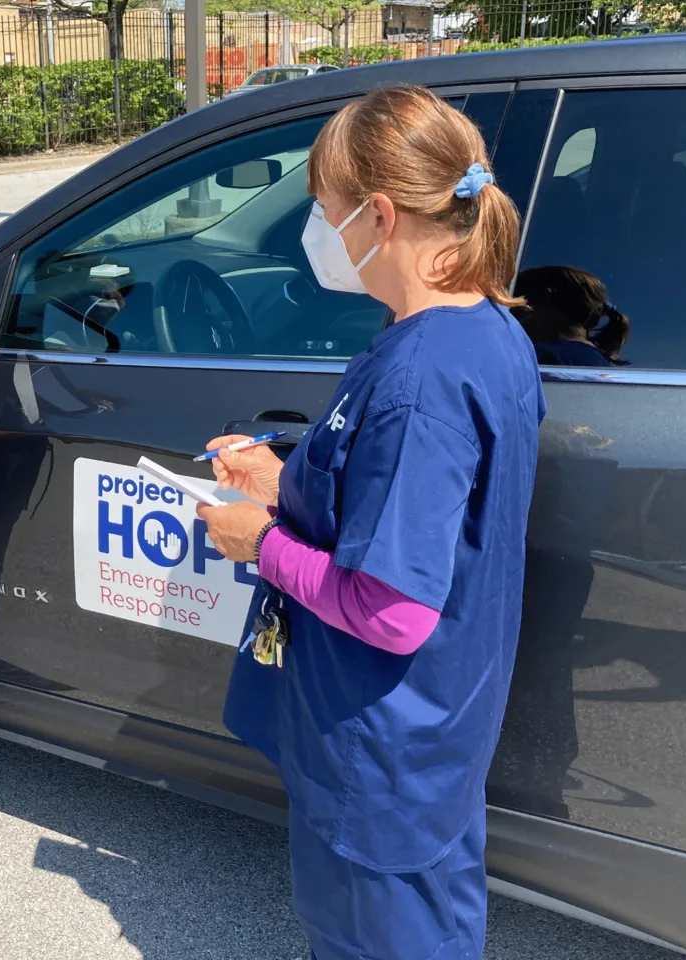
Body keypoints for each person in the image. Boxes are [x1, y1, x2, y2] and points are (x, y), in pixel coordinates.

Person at [195, 85, 546, 960]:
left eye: (322, 211)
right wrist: (286, 484)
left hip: (381, 750)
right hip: (429, 739)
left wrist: (262, 544)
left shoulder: (421, 380)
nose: (319, 234)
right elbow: (407, 509)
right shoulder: (480, 331)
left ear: (379, 215)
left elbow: (392, 610)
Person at [512, 265, 630, 367]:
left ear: (543, 298)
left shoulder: (540, 357)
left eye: (516, 303)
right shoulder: (600, 363)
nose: (513, 316)